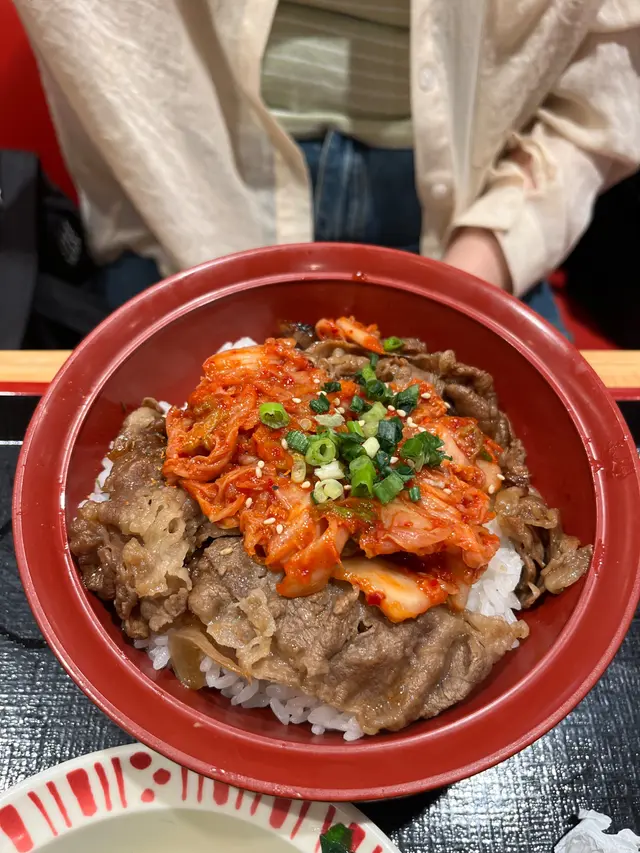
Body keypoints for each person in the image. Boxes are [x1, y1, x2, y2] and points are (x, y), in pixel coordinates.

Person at [13, 0, 640, 335]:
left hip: (470, 204)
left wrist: (480, 260)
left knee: (545, 462)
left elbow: (604, 96)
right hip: (188, 187)